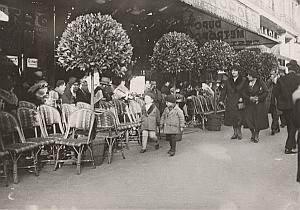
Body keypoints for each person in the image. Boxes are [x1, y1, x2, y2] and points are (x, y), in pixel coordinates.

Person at [273, 60, 300, 154]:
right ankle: (288, 147)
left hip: (285, 107)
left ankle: (292, 145)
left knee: (290, 126)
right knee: (294, 127)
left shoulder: (281, 79)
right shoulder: (298, 79)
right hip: (297, 106)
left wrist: (282, 100)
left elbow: (275, 92)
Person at [242, 69, 269, 143]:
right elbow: (243, 92)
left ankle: (256, 134)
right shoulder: (246, 82)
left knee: (257, 120)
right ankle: (252, 133)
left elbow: (266, 91)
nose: (248, 76)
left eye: (249, 75)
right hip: (249, 104)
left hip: (258, 104)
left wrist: (258, 98)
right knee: (248, 120)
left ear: (253, 76)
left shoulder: (260, 82)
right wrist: (249, 98)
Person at [219, 69, 246, 140]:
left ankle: (239, 132)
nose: (233, 72)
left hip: (239, 101)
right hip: (230, 101)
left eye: (236, 70)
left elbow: (246, 90)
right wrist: (221, 100)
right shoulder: (228, 81)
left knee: (239, 117)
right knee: (233, 118)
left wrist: (243, 98)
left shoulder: (243, 80)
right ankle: (235, 132)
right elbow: (224, 91)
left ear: (238, 72)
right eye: (232, 71)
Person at [265, 68, 280, 135]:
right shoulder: (269, 81)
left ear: (276, 74)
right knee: (273, 115)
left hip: (277, 101)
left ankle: (273, 128)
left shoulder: (279, 80)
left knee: (276, 115)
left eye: (273, 74)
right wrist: (270, 81)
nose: (271, 75)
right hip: (270, 101)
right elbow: (265, 87)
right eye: (271, 74)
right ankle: (277, 127)